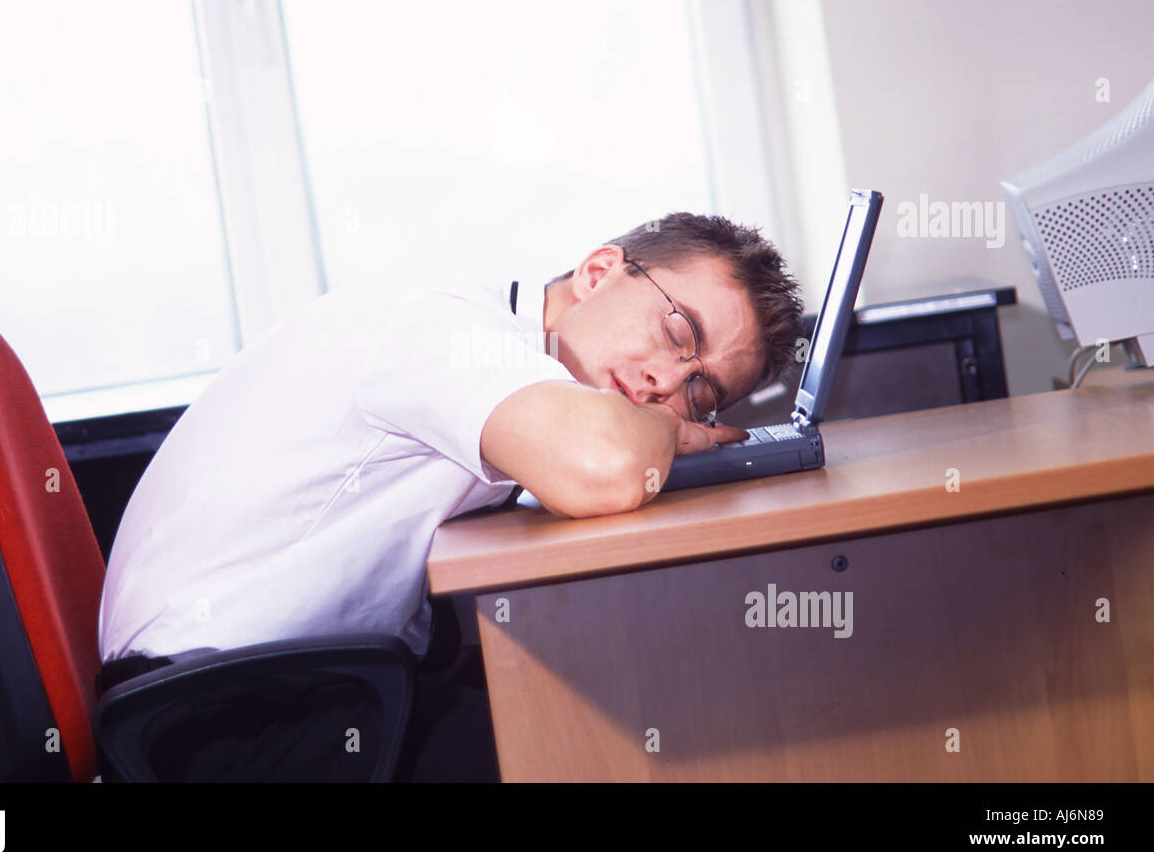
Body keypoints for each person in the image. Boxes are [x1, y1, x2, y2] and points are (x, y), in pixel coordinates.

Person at [95, 211, 804, 780]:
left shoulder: (520, 359)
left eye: (702, 390)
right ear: (598, 272)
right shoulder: (446, 326)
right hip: (214, 718)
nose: (668, 384)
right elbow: (602, 463)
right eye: (678, 332)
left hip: (314, 685)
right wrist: (666, 431)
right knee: (612, 746)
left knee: (621, 703)